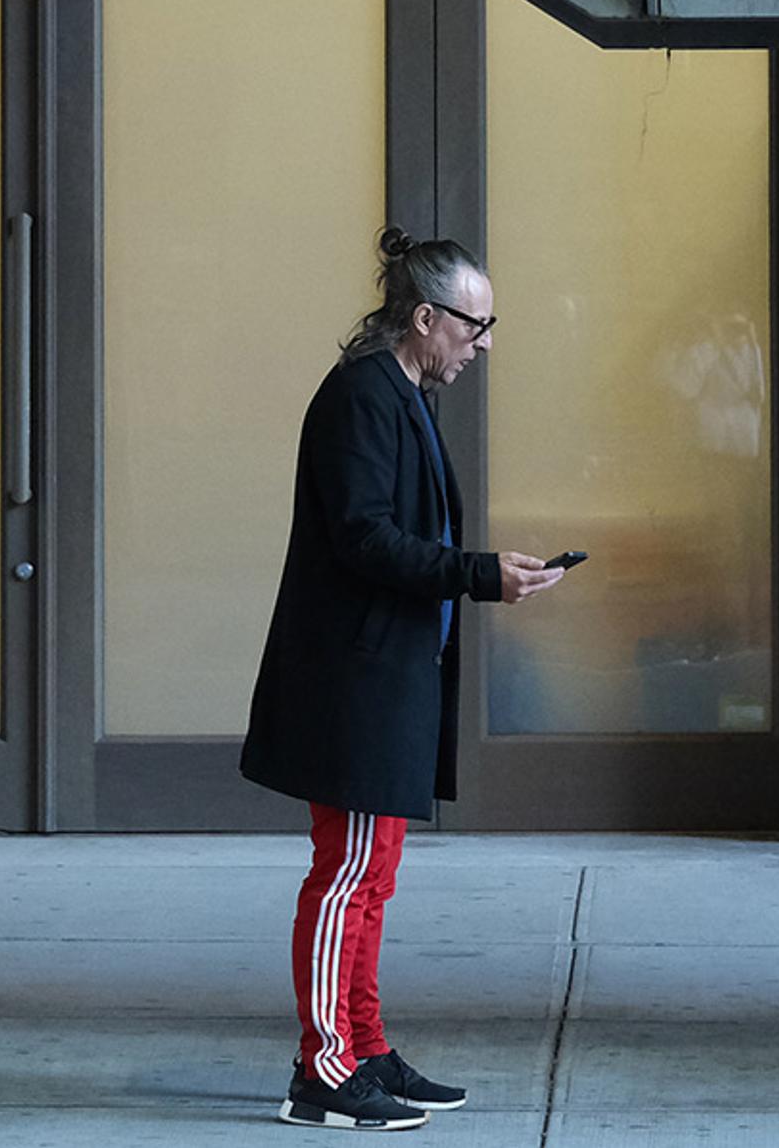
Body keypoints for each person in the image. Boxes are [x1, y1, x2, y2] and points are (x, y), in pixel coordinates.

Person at [241, 229, 570, 1131]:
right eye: (476, 324)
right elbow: (363, 537)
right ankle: (323, 1072)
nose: (485, 343)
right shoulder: (362, 398)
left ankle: (364, 1045)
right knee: (346, 874)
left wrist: (480, 575)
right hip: (351, 682)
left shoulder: (401, 393)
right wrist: (478, 573)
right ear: (425, 318)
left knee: (373, 875)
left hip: (385, 679)